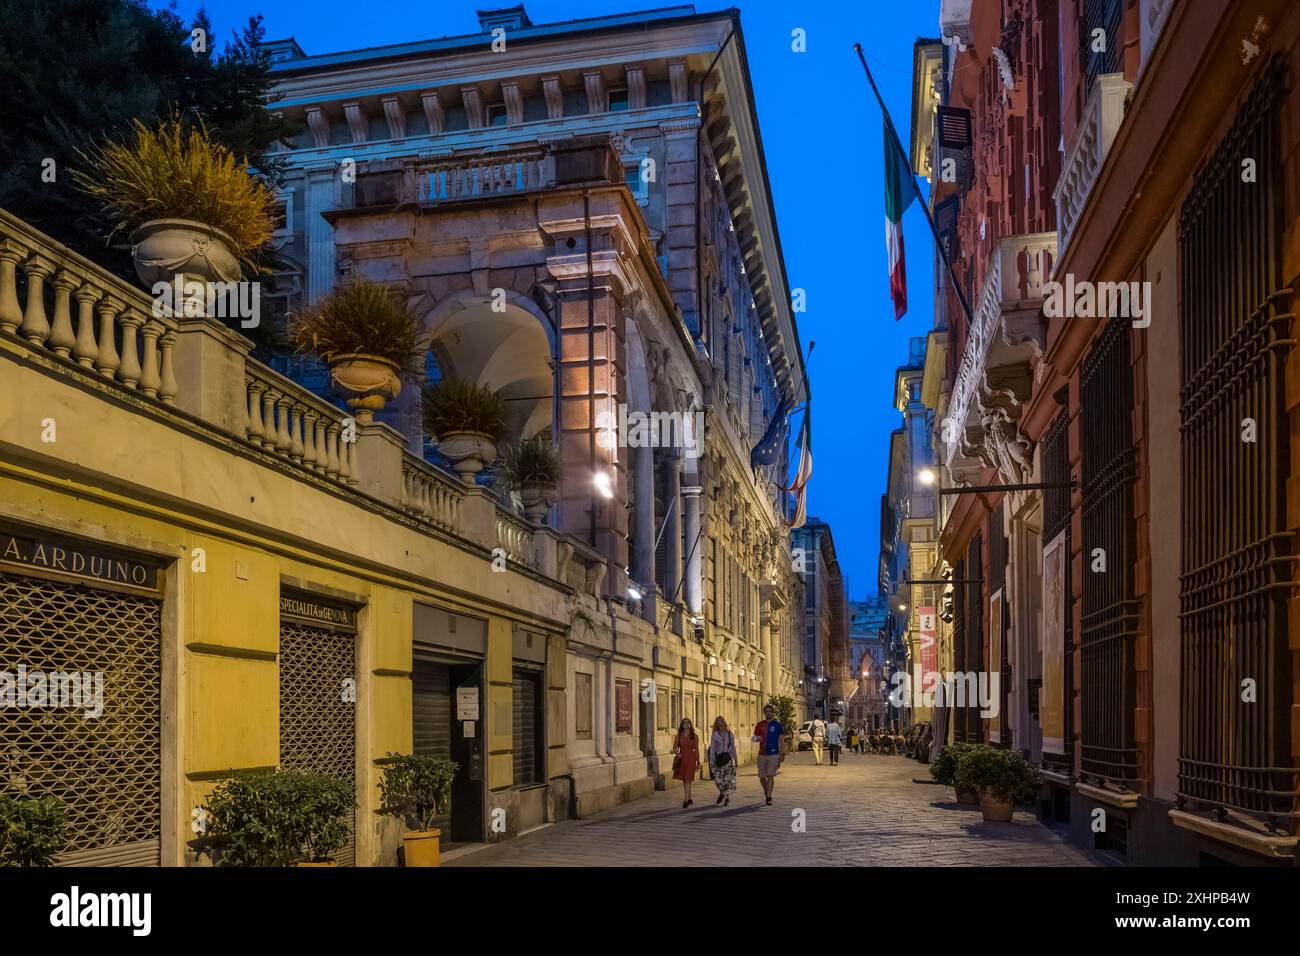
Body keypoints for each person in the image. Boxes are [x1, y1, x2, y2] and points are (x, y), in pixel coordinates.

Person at [752, 704, 785, 806]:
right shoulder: (759, 725)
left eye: (770, 711)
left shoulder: (777, 725)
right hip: (762, 754)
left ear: (773, 713)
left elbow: (781, 740)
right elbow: (753, 738)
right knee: (762, 777)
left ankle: (769, 796)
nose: (768, 713)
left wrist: (782, 753)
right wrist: (757, 739)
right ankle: (767, 790)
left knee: (770, 776)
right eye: (766, 711)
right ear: (764, 713)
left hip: (773, 753)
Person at [708, 716, 738, 806]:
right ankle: (722, 792)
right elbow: (712, 748)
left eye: (722, 720)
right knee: (718, 779)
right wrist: (711, 761)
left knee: (727, 779)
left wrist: (736, 760)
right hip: (718, 759)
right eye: (718, 721)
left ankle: (727, 798)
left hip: (727, 758)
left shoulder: (729, 734)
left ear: (724, 722)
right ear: (716, 724)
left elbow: (733, 747)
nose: (720, 723)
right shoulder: (715, 734)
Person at [672, 718, 700, 808]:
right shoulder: (678, 735)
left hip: (691, 759)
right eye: (685, 723)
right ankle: (690, 797)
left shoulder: (694, 736)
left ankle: (685, 800)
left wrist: (698, 761)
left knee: (688, 778)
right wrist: (678, 754)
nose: (687, 724)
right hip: (683, 759)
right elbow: (674, 748)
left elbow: (696, 750)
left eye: (688, 722)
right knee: (685, 779)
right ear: (682, 725)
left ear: (690, 725)